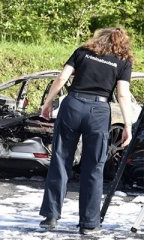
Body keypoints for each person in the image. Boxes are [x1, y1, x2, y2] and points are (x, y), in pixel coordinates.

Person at [38, 27, 134, 235]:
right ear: (122, 43)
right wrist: (127, 125)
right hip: (98, 111)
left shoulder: (83, 51)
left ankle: (50, 217)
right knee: (94, 167)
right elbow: (123, 95)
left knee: (61, 159)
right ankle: (89, 224)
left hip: (72, 104)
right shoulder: (123, 61)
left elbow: (62, 78)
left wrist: (48, 103)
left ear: (99, 38)